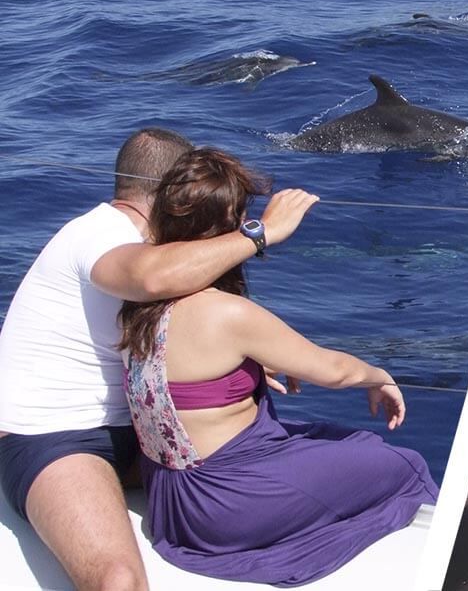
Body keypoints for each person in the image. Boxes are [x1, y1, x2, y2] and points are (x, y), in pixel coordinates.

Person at [0, 128, 318, 591]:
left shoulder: (149, 245)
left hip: (137, 430)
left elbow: (162, 329)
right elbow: (152, 281)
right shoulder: (101, 233)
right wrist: (259, 232)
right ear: (175, 189)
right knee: (117, 580)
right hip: (52, 437)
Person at [119, 148, 439, 586]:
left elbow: (182, 381)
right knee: (402, 463)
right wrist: (381, 376)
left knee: (336, 436)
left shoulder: (135, 306)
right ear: (227, 228)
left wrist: (245, 370)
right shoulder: (226, 314)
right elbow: (333, 371)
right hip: (222, 507)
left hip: (170, 500)